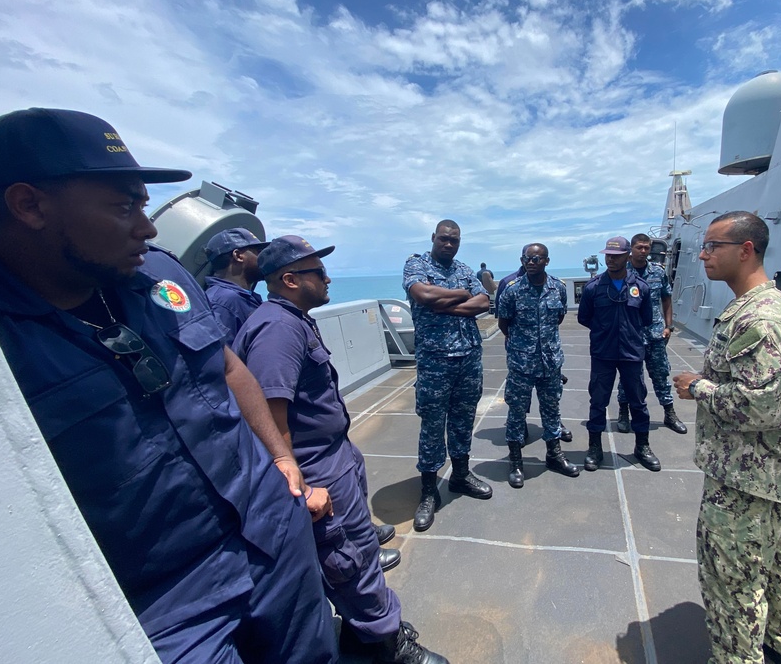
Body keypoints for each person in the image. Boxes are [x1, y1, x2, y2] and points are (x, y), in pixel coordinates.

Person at [0, 108, 338, 663]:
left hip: (271, 531)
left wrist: (282, 461)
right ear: (29, 204)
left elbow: (227, 367)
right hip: (166, 603)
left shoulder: (162, 275)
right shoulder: (5, 349)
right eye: (123, 206)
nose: (146, 227)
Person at [233, 235, 447, 664]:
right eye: (318, 272)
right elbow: (268, 416)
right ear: (290, 280)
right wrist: (301, 483)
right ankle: (387, 646)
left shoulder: (292, 318)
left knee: (356, 547)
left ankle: (359, 637)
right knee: (349, 559)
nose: (328, 278)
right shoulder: (277, 329)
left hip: (332, 454)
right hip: (314, 467)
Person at [672, 211, 781, 664]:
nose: (704, 254)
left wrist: (700, 387)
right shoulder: (755, 308)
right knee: (773, 562)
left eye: (713, 246)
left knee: (730, 579)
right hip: (761, 471)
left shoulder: (763, 321)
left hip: (747, 474)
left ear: (746, 250)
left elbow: (765, 406)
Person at [403, 220, 492, 532]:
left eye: (454, 240)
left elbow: (484, 301)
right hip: (435, 361)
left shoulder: (465, 268)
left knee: (464, 418)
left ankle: (460, 475)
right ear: (434, 238)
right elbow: (424, 295)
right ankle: (428, 490)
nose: (449, 245)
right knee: (432, 425)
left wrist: (446, 304)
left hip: (468, 358)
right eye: (444, 239)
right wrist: (460, 294)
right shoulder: (417, 264)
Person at [497, 243, 580, 487]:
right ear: (522, 261)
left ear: (547, 261)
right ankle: (515, 461)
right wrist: (523, 346)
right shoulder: (512, 290)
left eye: (537, 258)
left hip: (550, 363)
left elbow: (559, 318)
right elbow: (505, 324)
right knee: (516, 413)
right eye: (527, 258)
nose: (531, 262)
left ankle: (554, 455)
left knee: (552, 410)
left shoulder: (558, 288)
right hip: (522, 364)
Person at [577, 236, 661, 472]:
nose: (610, 260)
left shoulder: (641, 287)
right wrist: (605, 330)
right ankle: (595, 448)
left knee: (638, 401)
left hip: (632, 352)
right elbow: (584, 317)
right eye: (608, 256)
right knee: (598, 401)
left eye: (616, 256)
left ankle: (642, 446)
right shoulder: (594, 288)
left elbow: (646, 318)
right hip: (603, 353)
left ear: (627, 256)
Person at [616, 233, 686, 436]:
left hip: (655, 334)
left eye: (647, 248)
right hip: (631, 336)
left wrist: (669, 326)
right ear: (631, 249)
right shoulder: (621, 273)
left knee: (661, 374)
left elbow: (666, 299)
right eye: (639, 247)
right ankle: (623, 412)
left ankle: (669, 413)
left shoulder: (658, 272)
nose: (643, 251)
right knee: (628, 378)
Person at [203, 227, 268, 345]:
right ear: (238, 256)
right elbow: (220, 358)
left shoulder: (237, 298)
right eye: (258, 252)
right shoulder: (223, 302)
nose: (263, 258)